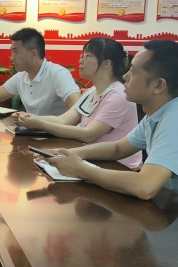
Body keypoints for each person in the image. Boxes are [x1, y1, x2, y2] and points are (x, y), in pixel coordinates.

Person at [45, 40, 178, 212]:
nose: (125, 77)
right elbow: (118, 148)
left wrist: (81, 170)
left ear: (158, 85)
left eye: (133, 71)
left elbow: (145, 186)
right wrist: (72, 154)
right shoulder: (158, 112)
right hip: (174, 208)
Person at [16, 37, 142, 170]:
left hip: (118, 166)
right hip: (93, 159)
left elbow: (89, 134)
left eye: (88, 56)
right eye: (82, 56)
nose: (81, 60)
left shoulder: (118, 95)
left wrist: (40, 124)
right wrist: (31, 118)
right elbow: (63, 120)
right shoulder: (92, 91)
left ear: (106, 64)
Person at [0, 28, 80, 116]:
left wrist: (43, 123)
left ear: (33, 53)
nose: (11, 58)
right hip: (32, 133)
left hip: (57, 137)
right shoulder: (21, 77)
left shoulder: (58, 74)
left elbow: (76, 108)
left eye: (16, 52)